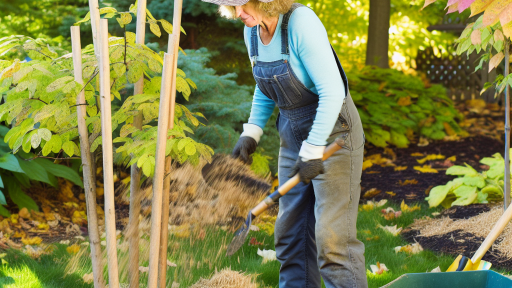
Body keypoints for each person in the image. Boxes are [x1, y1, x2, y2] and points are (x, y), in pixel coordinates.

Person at [201, 0, 368, 287]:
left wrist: (314, 149)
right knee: (291, 234)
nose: (238, 13)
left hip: (333, 135)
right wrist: (251, 131)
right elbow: (265, 82)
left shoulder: (301, 23)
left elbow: (333, 91)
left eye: (243, 4)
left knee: (333, 238)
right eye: (232, 5)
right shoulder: (252, 30)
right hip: (292, 134)